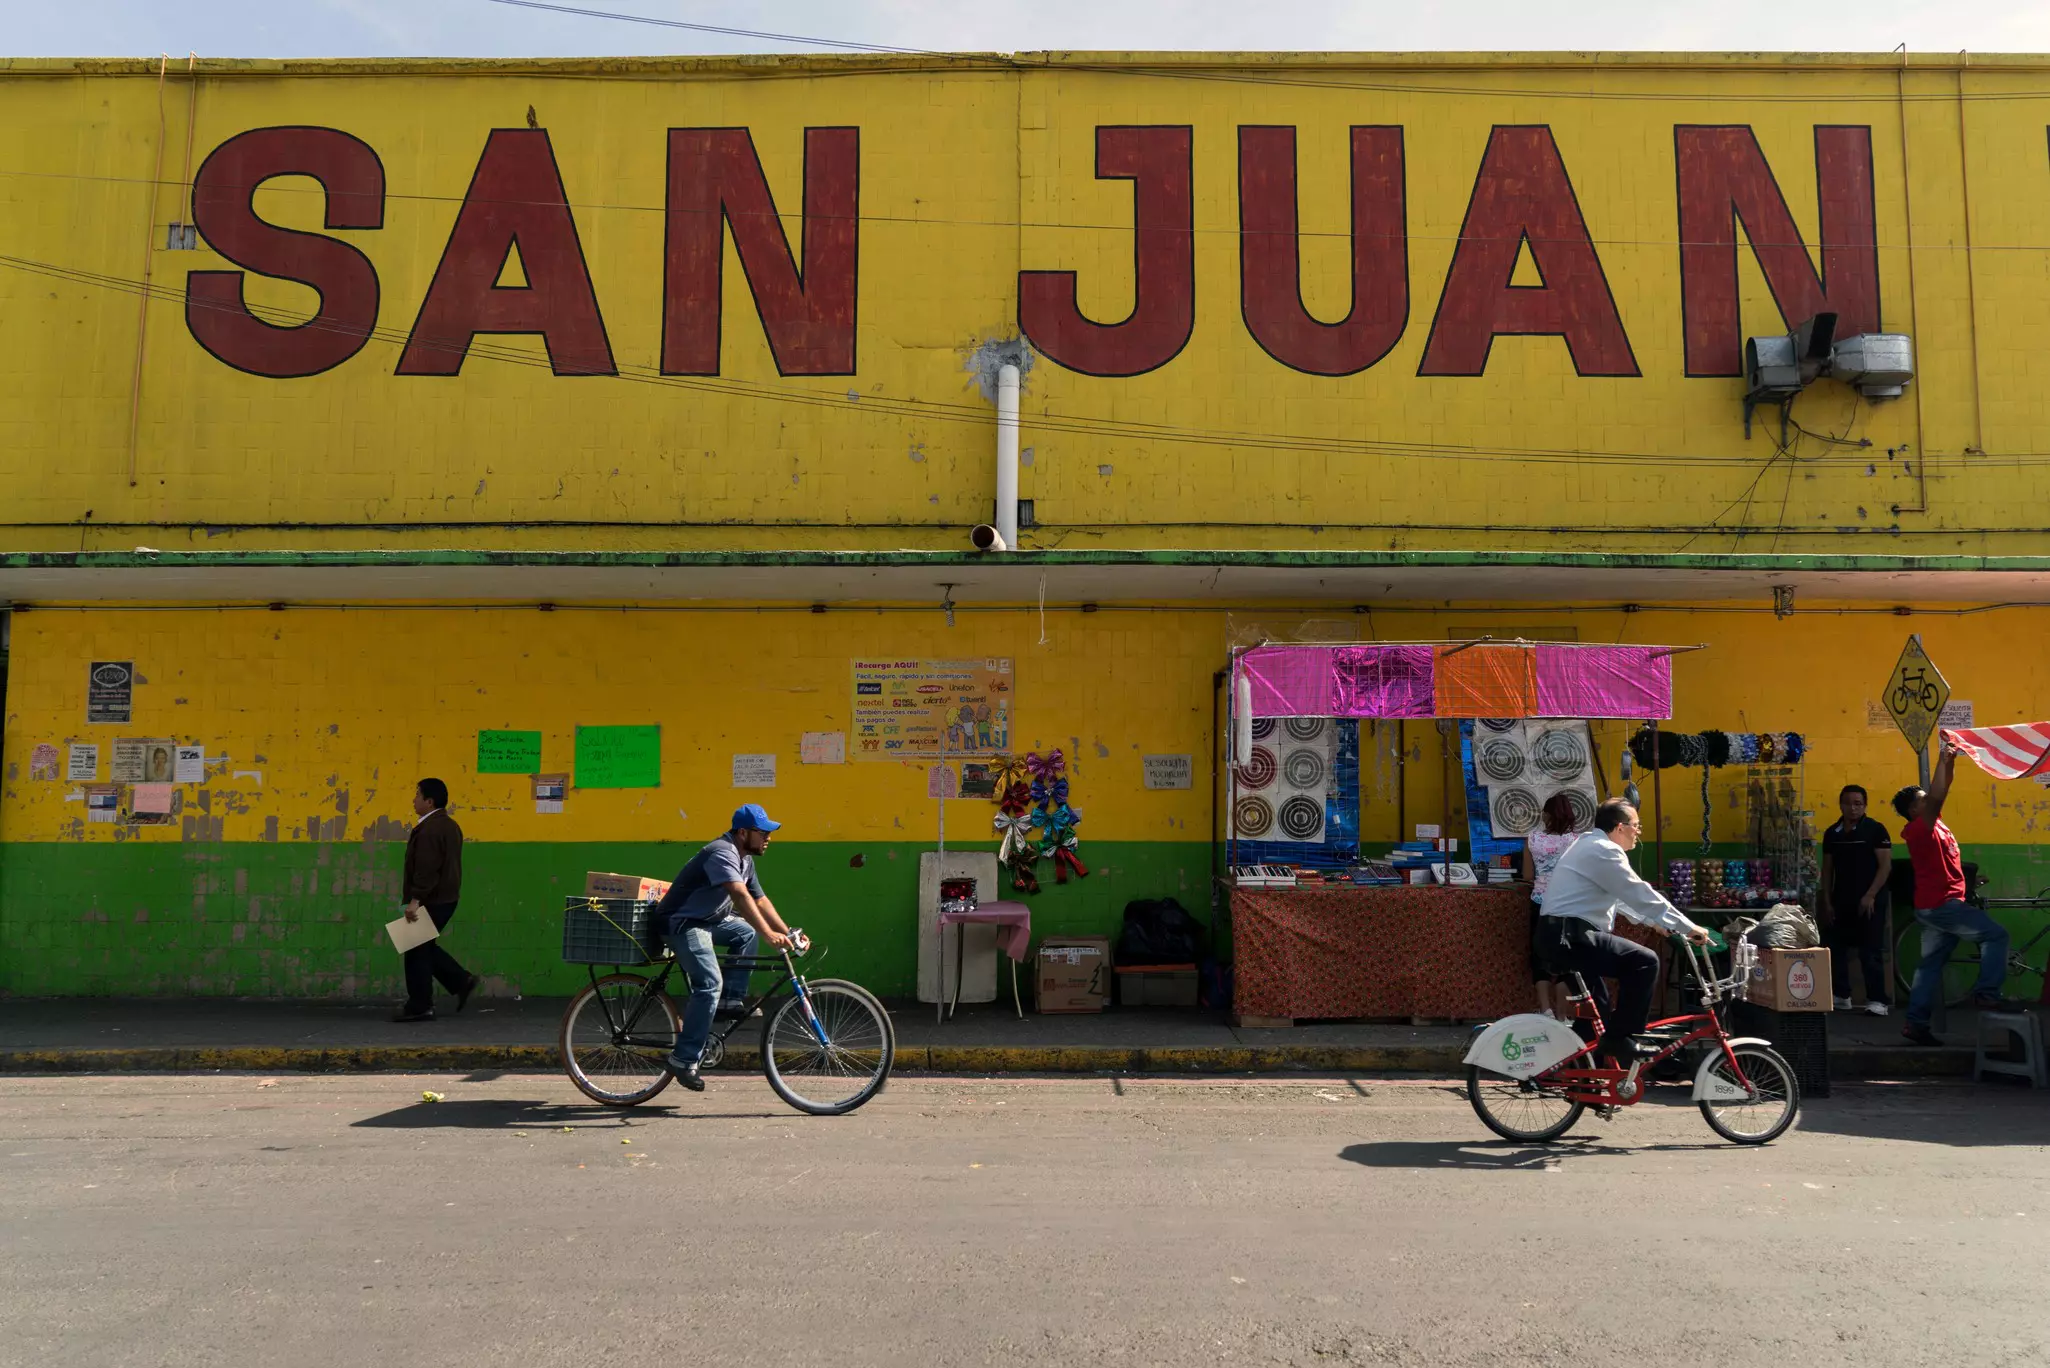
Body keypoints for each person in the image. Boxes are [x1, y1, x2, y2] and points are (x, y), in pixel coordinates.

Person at [1538, 800, 1712, 1064]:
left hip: (1561, 937)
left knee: (1597, 1014)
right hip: (1570, 937)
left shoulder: (1590, 846)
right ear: (1620, 827)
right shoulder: (1604, 850)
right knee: (1644, 962)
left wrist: (1654, 922)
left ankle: (1583, 1085)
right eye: (1636, 826)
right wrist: (1687, 926)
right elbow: (1639, 892)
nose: (1638, 832)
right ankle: (1623, 1038)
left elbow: (1620, 897)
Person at [653, 803, 795, 1091]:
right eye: (763, 832)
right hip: (683, 924)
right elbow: (740, 895)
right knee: (708, 984)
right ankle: (683, 1059)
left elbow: (760, 900)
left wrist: (788, 932)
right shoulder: (721, 852)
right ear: (743, 832)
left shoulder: (745, 860)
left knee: (744, 933)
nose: (769, 838)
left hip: (706, 921)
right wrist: (768, 933)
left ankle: (729, 1001)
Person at [1894, 746, 2013, 1046]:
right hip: (1940, 906)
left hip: (1936, 906)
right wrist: (1941, 761)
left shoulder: (1936, 825)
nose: (1931, 802)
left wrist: (1949, 762)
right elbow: (1937, 794)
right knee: (1995, 935)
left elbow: (1942, 790)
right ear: (1914, 810)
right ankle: (1987, 994)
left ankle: (1916, 1024)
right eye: (1923, 800)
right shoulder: (1921, 829)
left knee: (1930, 966)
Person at [393, 778, 481, 1023]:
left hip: (432, 898)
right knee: (421, 946)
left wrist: (415, 900)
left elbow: (427, 868)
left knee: (415, 949)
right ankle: (460, 981)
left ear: (429, 801)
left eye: (417, 795)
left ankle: (421, 1005)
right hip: (445, 898)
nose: (414, 799)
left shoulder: (430, 829)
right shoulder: (449, 825)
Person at [1819, 784, 1893, 1016]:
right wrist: (1828, 902)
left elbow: (1885, 867)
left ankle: (1877, 1000)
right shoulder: (1832, 833)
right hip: (1842, 900)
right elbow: (1828, 869)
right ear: (1840, 805)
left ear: (1865, 806)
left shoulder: (1876, 830)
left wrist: (1870, 895)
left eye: (1858, 803)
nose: (1853, 808)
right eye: (1848, 803)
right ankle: (1841, 995)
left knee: (1870, 951)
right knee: (1835, 948)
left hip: (1870, 901)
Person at [1518, 793, 1584, 1020]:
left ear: (1546, 815)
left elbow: (1528, 875)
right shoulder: (1577, 841)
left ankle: (1545, 1008)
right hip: (1569, 904)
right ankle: (1563, 1016)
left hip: (1540, 903)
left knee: (1540, 955)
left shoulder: (1532, 839)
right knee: (1568, 956)